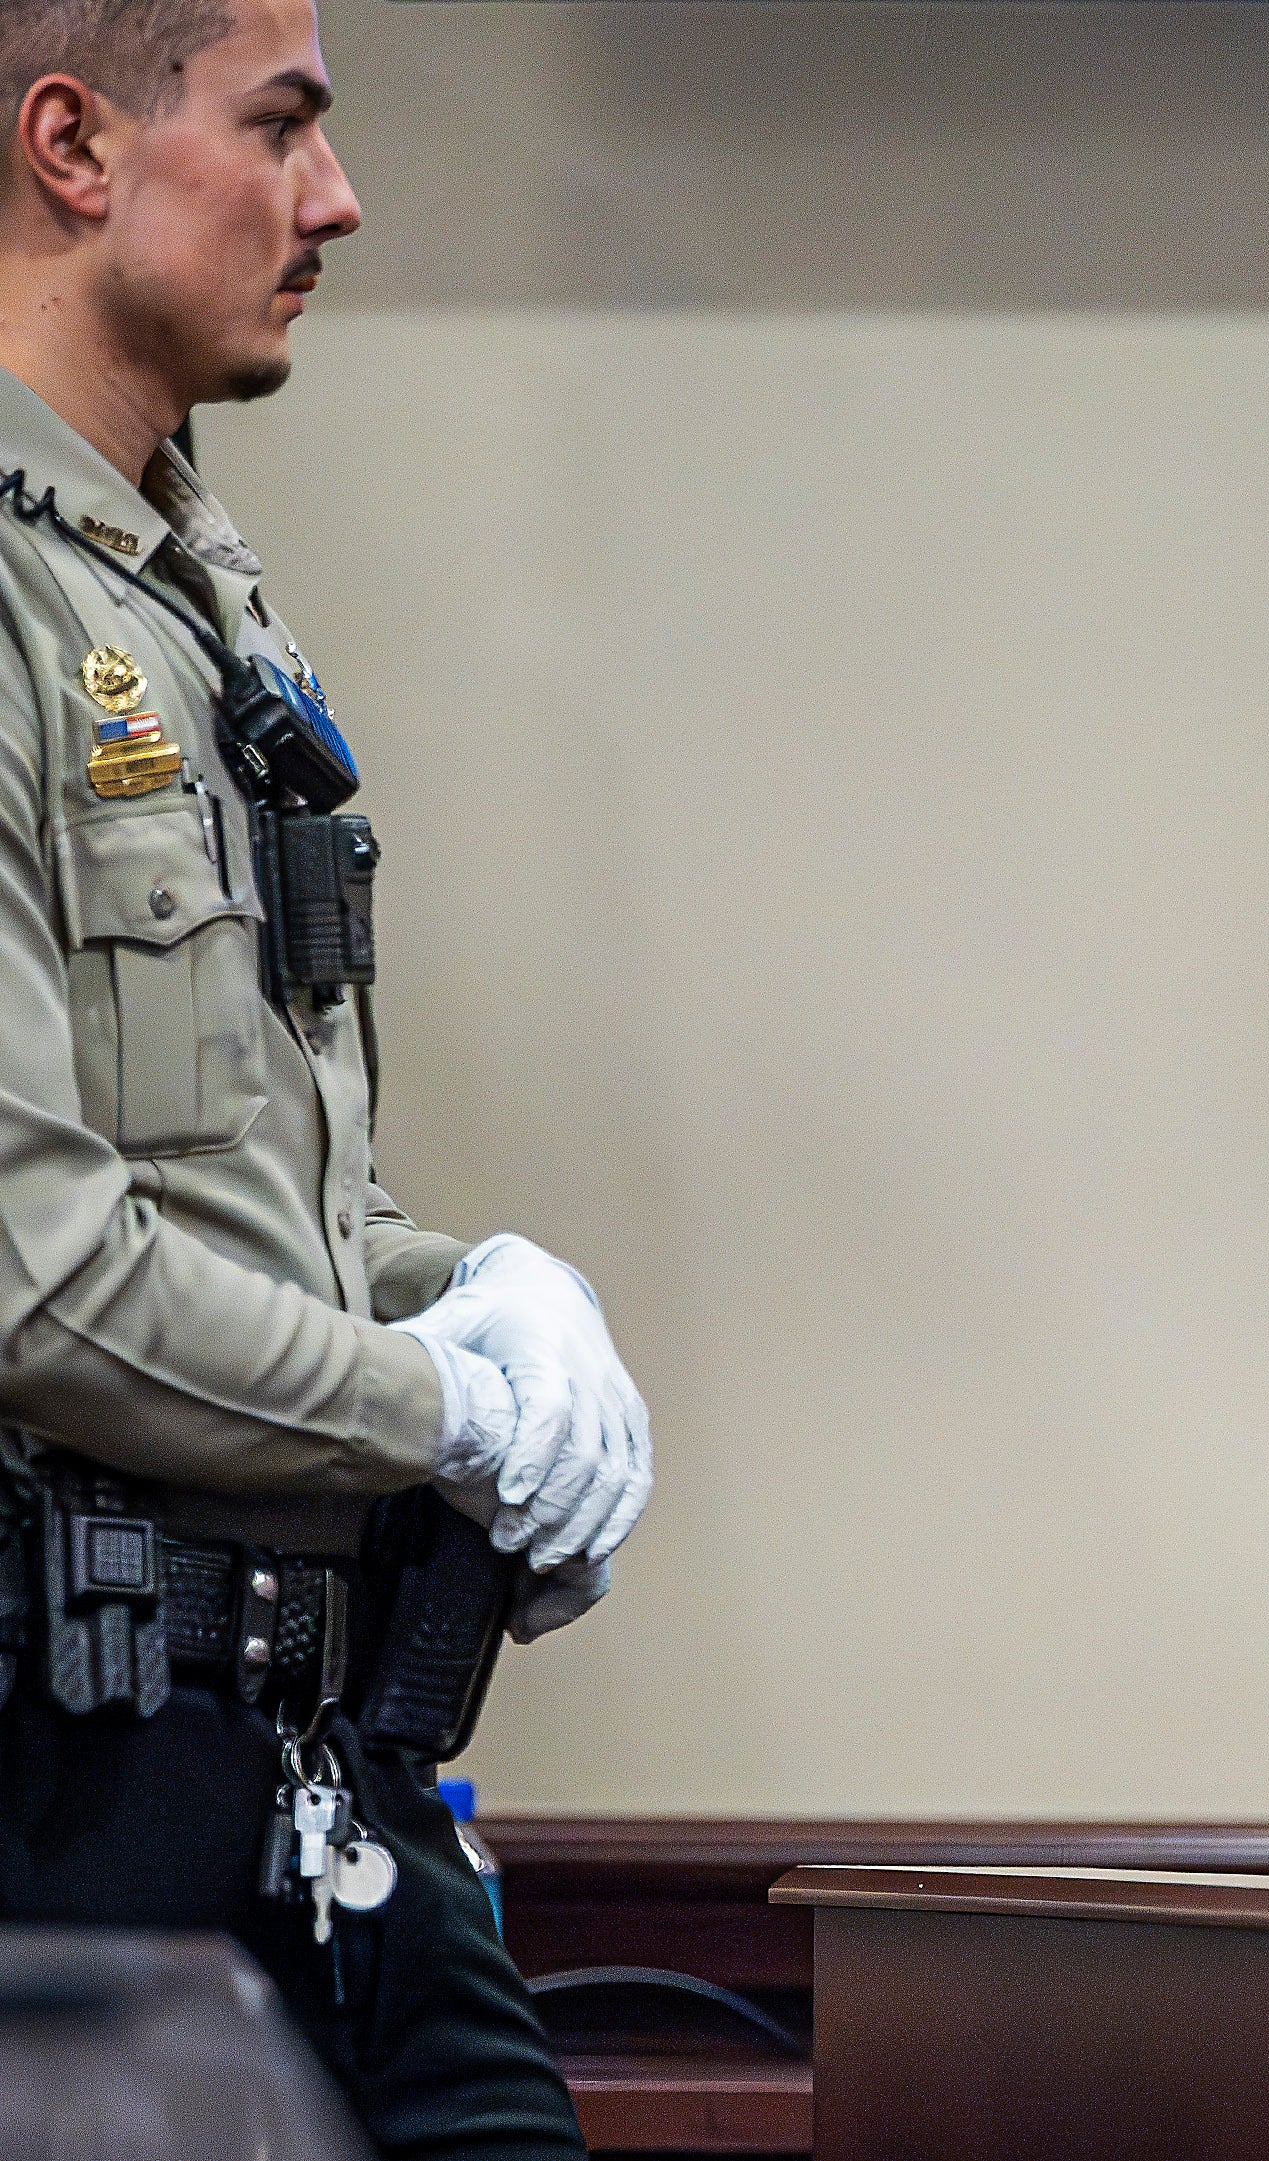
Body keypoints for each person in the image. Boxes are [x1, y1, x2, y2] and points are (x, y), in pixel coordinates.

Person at [0, 0, 648, 2151]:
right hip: (66, 1784)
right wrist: (440, 1413)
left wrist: (477, 1294)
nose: (336, 197)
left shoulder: (187, 595)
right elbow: (40, 1277)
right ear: (74, 145)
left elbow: (244, 1183)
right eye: (282, 128)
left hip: (314, 1747)